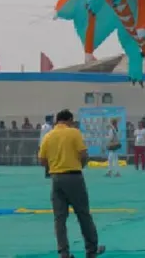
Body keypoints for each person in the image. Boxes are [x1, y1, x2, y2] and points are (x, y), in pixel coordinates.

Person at [38, 109, 103, 258]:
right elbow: (83, 154)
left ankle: (64, 252)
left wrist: (53, 167)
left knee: (59, 218)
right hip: (74, 176)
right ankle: (91, 249)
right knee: (83, 214)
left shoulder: (48, 136)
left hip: (56, 178)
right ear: (69, 120)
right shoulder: (74, 133)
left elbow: (42, 160)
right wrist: (80, 165)